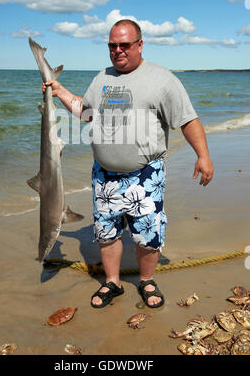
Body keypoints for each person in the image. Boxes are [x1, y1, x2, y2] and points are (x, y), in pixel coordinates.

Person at [42, 19, 214, 309]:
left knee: (148, 235)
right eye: (113, 45)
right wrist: (59, 92)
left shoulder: (162, 79)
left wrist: (203, 155)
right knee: (106, 233)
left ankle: (146, 281)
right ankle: (113, 282)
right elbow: (85, 113)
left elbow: (187, 119)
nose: (118, 50)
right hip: (104, 176)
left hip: (144, 175)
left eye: (125, 44)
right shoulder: (102, 78)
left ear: (140, 45)